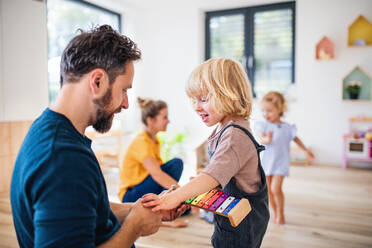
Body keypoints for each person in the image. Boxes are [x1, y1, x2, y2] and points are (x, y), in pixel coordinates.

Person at [10, 25, 186, 248]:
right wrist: (134, 228)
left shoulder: (49, 129)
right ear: (97, 82)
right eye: (124, 90)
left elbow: (88, 207)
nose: (126, 103)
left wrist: (136, 209)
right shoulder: (63, 159)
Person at [141, 58, 270, 248]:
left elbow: (213, 175)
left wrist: (174, 197)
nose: (196, 107)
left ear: (230, 95)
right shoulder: (225, 129)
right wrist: (198, 190)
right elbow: (221, 175)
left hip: (242, 224)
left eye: (203, 99)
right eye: (194, 100)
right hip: (231, 218)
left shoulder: (234, 135)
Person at [118, 97, 188, 227]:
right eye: (165, 117)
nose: (168, 121)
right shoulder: (141, 142)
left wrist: (181, 196)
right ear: (150, 120)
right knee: (175, 164)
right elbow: (158, 175)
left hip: (144, 187)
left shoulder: (154, 140)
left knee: (175, 167)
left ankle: (167, 208)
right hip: (130, 195)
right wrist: (184, 194)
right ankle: (161, 215)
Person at [254, 91, 315, 225]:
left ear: (280, 109)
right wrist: (266, 139)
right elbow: (261, 137)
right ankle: (275, 212)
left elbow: (296, 139)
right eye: (263, 111)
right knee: (268, 191)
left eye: (269, 110)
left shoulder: (287, 128)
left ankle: (280, 213)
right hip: (266, 163)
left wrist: (306, 151)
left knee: (276, 189)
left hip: (280, 163)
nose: (266, 114)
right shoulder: (263, 125)